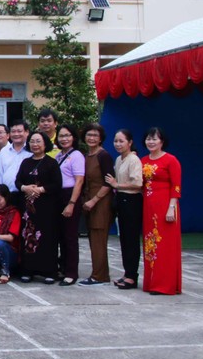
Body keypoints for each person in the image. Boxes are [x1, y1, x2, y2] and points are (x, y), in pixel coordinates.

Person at [15, 131, 63, 284]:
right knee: (27, 237)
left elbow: (57, 184)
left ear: (45, 144)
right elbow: (17, 181)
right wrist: (25, 188)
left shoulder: (51, 162)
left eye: (38, 141)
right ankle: (28, 270)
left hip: (46, 208)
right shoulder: (25, 162)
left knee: (47, 239)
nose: (35, 144)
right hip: (28, 210)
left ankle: (49, 271)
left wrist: (40, 190)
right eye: (32, 141)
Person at [140, 127, 181, 295]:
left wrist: (172, 207)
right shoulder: (143, 161)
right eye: (148, 139)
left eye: (154, 139)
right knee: (150, 245)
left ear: (162, 141)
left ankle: (165, 285)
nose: (151, 142)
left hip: (166, 206)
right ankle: (152, 282)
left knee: (165, 246)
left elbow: (176, 186)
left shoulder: (171, 160)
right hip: (148, 206)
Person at [105, 129, 143, 290]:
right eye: (116, 141)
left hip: (131, 200)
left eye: (121, 141)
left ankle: (132, 276)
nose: (118, 144)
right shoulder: (119, 159)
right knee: (124, 240)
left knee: (131, 240)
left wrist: (116, 185)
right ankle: (127, 273)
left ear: (130, 142)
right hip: (121, 199)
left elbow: (137, 183)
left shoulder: (133, 159)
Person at [79, 123, 115, 286]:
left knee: (99, 239)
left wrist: (94, 200)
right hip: (88, 201)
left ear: (101, 138)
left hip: (101, 202)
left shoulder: (103, 156)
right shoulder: (87, 155)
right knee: (93, 239)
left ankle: (100, 276)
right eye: (89, 135)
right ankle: (98, 273)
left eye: (95, 135)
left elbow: (108, 183)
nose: (91, 138)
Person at [54, 124, 85, 286]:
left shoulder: (77, 155)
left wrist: (72, 203)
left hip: (70, 196)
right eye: (61, 136)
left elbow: (79, 181)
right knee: (61, 236)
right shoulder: (59, 156)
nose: (64, 139)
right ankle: (63, 267)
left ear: (73, 137)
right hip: (58, 196)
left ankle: (72, 272)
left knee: (70, 237)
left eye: (67, 136)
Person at [0, 120, 31, 209]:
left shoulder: (31, 151)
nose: (16, 134)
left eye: (19, 131)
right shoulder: (4, 151)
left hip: (26, 196)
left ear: (27, 132)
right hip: (7, 196)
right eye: (13, 131)